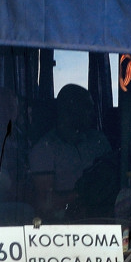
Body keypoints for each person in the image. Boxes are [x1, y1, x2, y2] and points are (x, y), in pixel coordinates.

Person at [29, 84, 113, 219]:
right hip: (66, 222)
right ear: (69, 110)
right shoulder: (44, 149)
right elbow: (46, 204)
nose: (93, 113)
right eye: (87, 107)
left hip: (105, 213)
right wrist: (83, 193)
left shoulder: (98, 140)